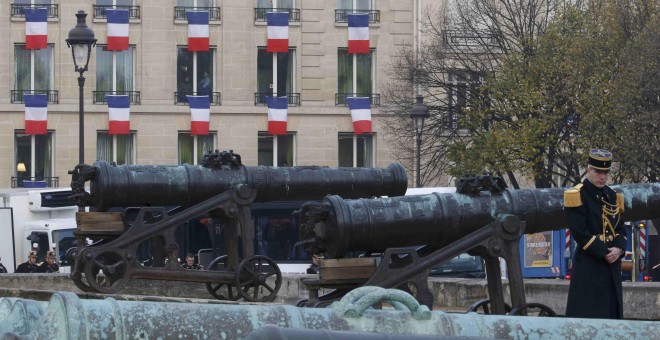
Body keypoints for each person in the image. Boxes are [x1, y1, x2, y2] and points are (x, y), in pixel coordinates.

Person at [564, 149, 626, 319]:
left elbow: (620, 229)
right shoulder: (577, 194)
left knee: (611, 316)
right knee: (588, 316)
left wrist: (618, 249)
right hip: (589, 265)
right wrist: (605, 252)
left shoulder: (612, 195)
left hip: (611, 266)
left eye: (605, 173)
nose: (603, 177)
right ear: (589, 170)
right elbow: (579, 231)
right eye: (598, 172)